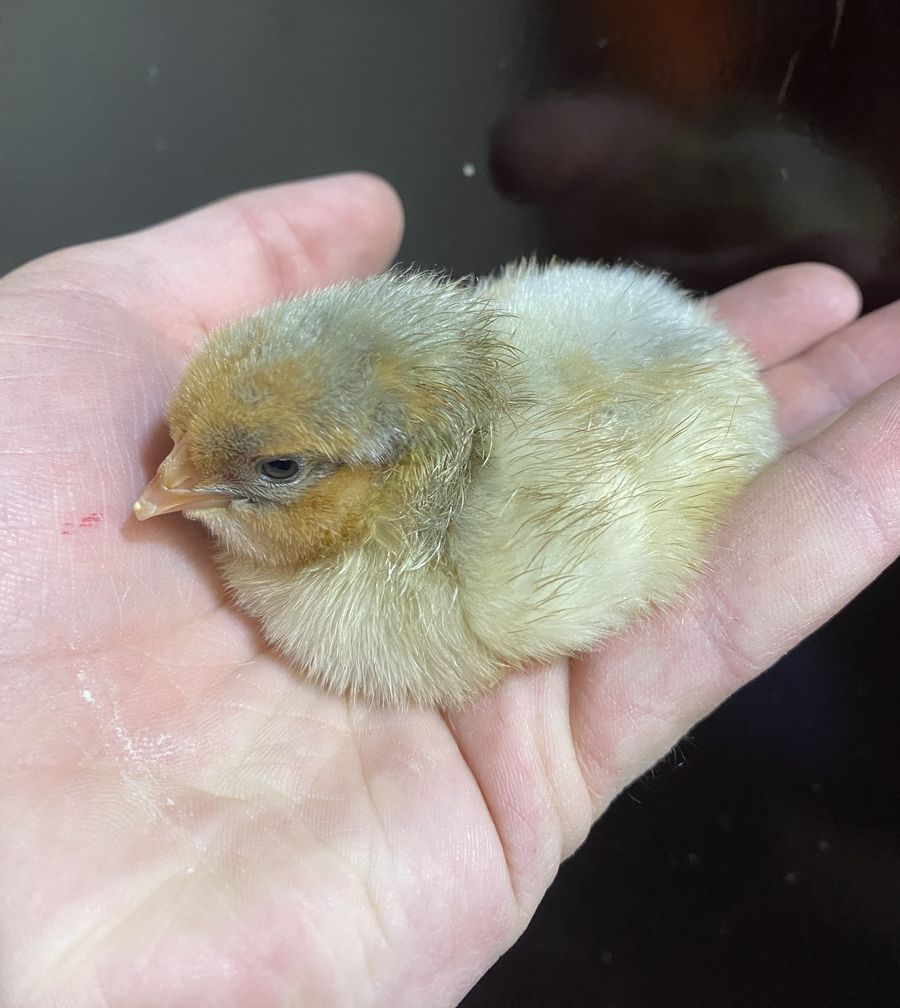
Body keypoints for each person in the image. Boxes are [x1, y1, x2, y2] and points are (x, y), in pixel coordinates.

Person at [0, 173, 897, 1007]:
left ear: (377, 474)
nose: (161, 484)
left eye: (275, 468)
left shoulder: (480, 574)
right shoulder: (363, 505)